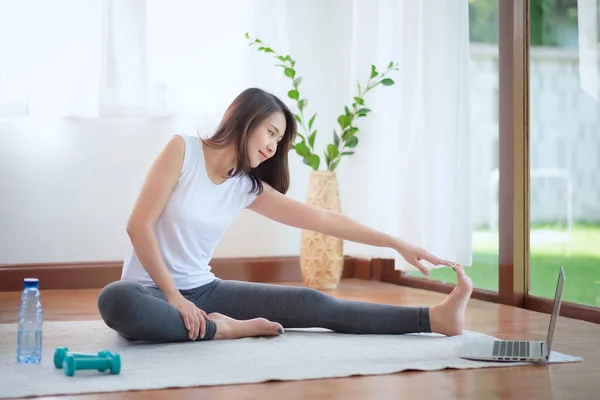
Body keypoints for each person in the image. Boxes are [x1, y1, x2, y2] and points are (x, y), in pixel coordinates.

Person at [97, 87, 473, 343]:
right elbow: (138, 226)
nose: (274, 147)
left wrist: (395, 242)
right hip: (149, 291)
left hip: (206, 289)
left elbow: (323, 220)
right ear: (246, 120)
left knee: (314, 304)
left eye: (280, 142)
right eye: (271, 133)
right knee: (116, 302)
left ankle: (433, 319)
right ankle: (224, 331)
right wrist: (176, 298)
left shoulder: (246, 187)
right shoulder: (183, 151)